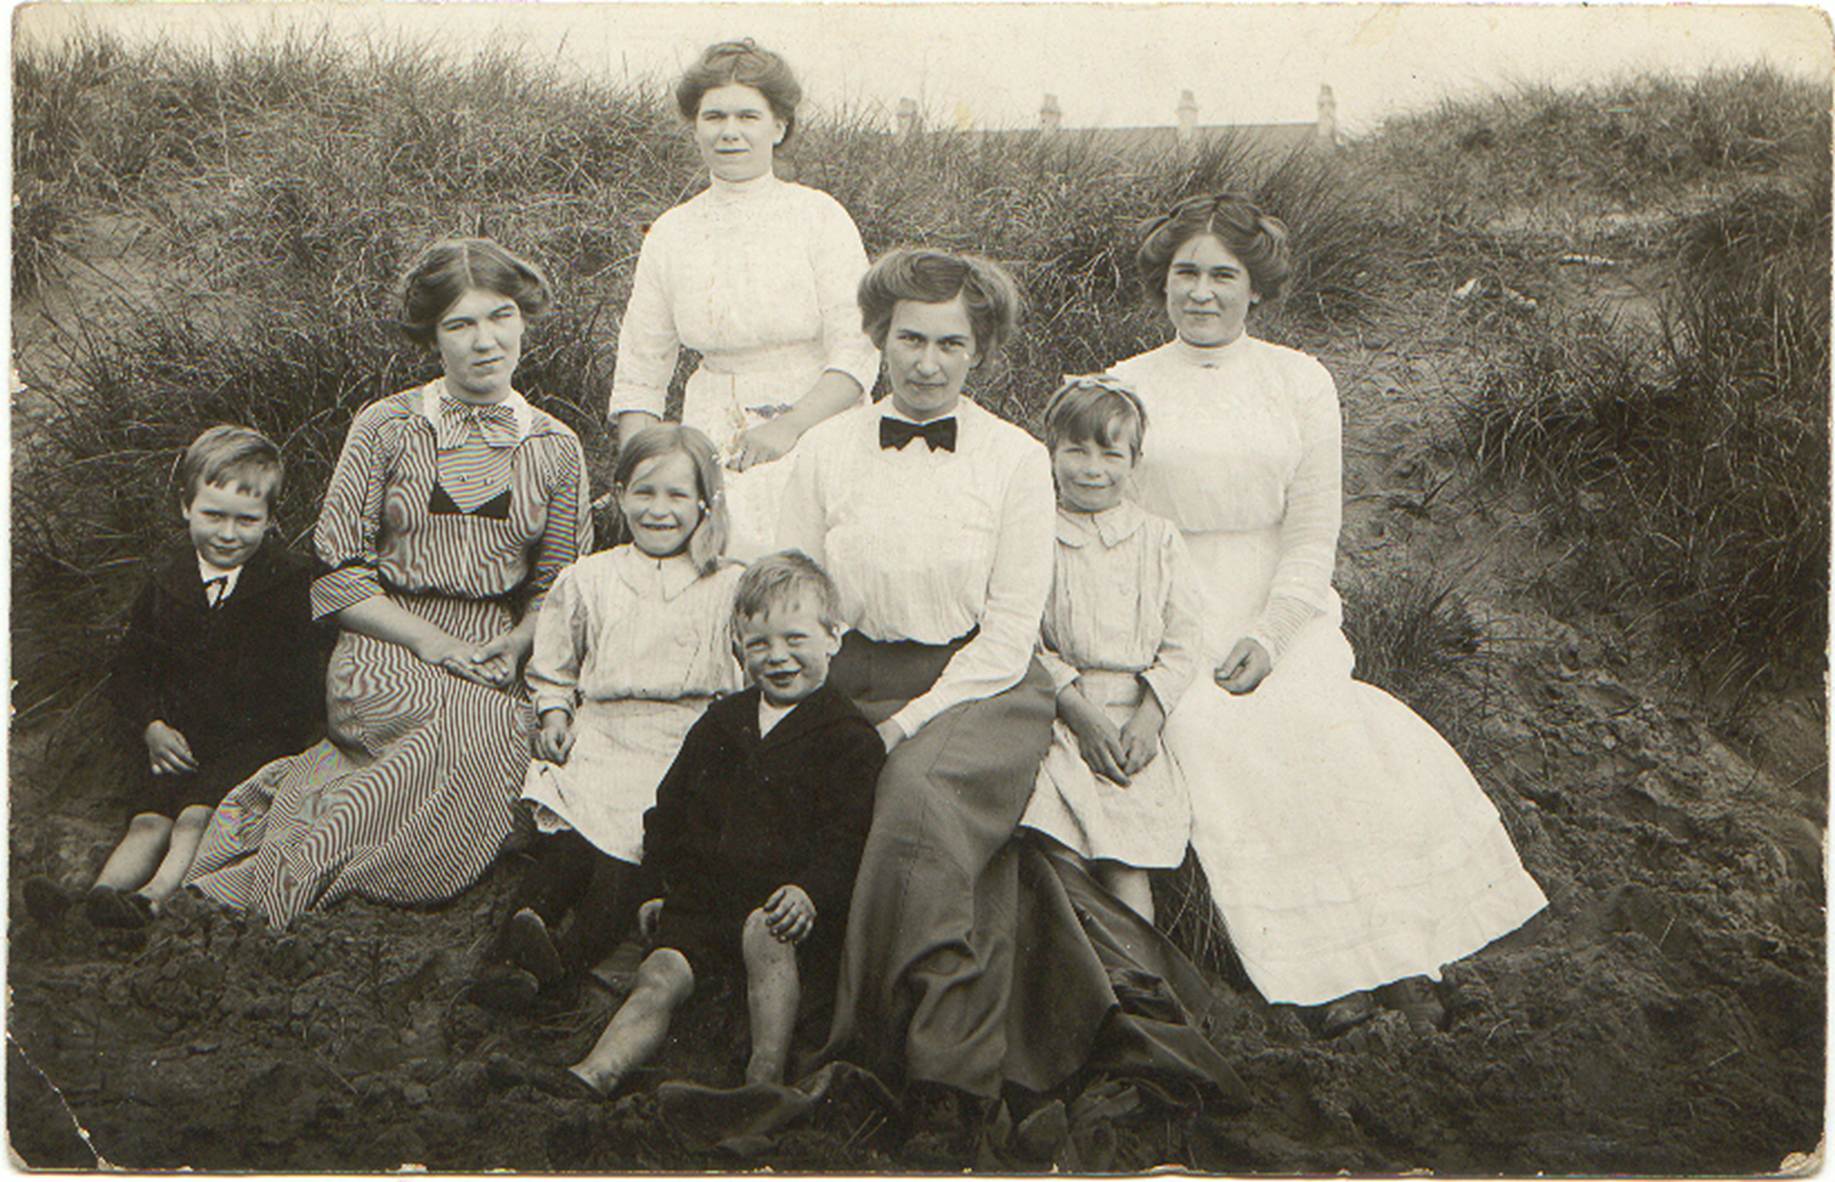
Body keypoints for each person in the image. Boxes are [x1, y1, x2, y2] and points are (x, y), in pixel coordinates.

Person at [778, 249, 1244, 1106]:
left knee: (913, 800)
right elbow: (798, 586)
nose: (927, 363)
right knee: (931, 848)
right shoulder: (824, 450)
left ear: (979, 350)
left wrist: (903, 725)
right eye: (909, 339)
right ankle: (932, 1023)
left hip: (980, 685)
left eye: (950, 344)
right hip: (851, 673)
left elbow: (1007, 633)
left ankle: (908, 1051)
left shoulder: (1017, 458)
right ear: (877, 340)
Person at [1109, 192, 1547, 1034]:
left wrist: (1271, 637)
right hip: (1169, 611)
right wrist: (1179, 641)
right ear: (1161, 284)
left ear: (1256, 290)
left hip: (1279, 609)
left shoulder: (1298, 381)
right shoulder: (1124, 385)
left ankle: (1410, 960)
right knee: (1220, 741)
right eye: (1184, 274)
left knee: (1335, 730)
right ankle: (1318, 978)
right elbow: (1110, 530)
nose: (1200, 292)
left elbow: (1311, 534)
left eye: (1222, 276)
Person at [184, 238, 593, 928]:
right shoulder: (384, 426)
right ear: (432, 337)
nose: (484, 342)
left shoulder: (556, 446)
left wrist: (519, 644)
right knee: (477, 722)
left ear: (524, 319)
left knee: (502, 717)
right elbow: (339, 566)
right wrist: (432, 643)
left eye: (499, 317)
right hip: (386, 638)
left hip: (497, 644)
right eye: (459, 325)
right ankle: (294, 881)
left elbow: (560, 583)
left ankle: (333, 877)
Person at [560, 551, 882, 1096]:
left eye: (795, 639)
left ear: (834, 638)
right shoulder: (722, 723)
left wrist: (809, 893)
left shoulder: (849, 738)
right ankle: (595, 1072)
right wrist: (659, 888)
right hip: (707, 901)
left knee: (765, 932)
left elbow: (849, 837)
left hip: (787, 912)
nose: (777, 657)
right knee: (659, 973)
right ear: (738, 649)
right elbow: (670, 811)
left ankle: (763, 1080)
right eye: (759, 644)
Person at [479, 424, 744, 1006]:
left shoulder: (728, 584)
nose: (659, 510)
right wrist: (554, 713)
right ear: (619, 494)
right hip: (605, 730)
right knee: (573, 842)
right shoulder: (590, 577)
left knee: (626, 854)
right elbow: (555, 663)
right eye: (644, 493)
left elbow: (747, 675)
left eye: (677, 496)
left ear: (705, 502)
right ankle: (514, 940)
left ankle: (561, 967)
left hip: (685, 742)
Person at [25, 426, 325, 930]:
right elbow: (130, 668)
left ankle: (153, 900)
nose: (228, 534)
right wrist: (152, 727)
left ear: (271, 520)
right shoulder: (168, 579)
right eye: (213, 515)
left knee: (195, 819)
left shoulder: (287, 582)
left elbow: (300, 682)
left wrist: (277, 746)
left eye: (246, 520)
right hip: (177, 739)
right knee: (147, 821)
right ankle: (94, 900)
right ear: (187, 507)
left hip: (246, 743)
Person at [608, 38, 879, 560]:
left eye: (748, 116)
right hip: (712, 421)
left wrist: (789, 427)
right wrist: (641, 473)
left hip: (818, 422)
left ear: (778, 127)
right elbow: (641, 369)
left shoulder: (820, 217)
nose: (729, 132)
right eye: (714, 117)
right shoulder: (671, 232)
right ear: (696, 126)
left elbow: (856, 351)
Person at [1018, 376, 1203, 924]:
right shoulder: (1034, 534)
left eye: (1110, 453)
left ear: (1135, 460)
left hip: (1132, 722)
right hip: (1062, 715)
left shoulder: (1159, 538)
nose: (1092, 468)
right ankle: (1082, 985)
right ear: (1051, 453)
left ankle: (1140, 985)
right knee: (1060, 847)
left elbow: (1184, 639)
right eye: (1076, 450)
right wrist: (1075, 711)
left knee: (1126, 861)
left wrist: (1150, 716)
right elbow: (1024, 636)